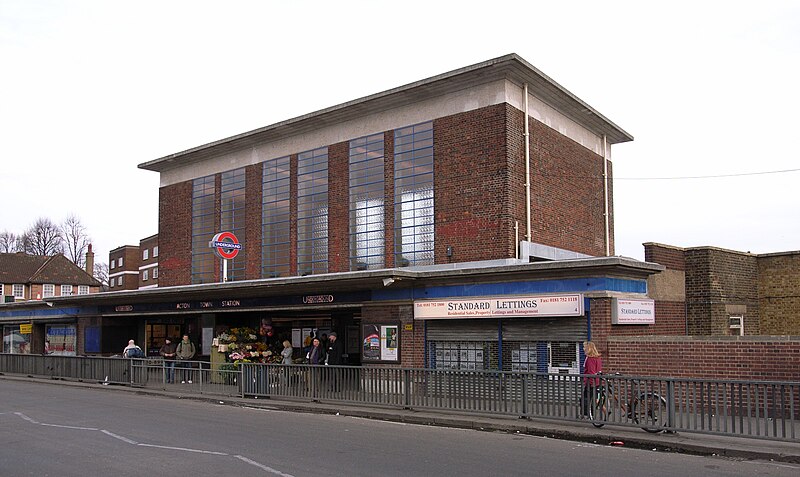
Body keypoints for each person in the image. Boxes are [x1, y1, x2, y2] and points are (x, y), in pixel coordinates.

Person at [582, 340, 603, 418]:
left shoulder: (590, 359)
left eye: (584, 347)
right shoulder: (597, 358)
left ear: (588, 348)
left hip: (591, 382)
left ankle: (587, 415)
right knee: (594, 399)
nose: (583, 349)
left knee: (586, 399)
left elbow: (591, 372)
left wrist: (590, 383)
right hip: (597, 381)